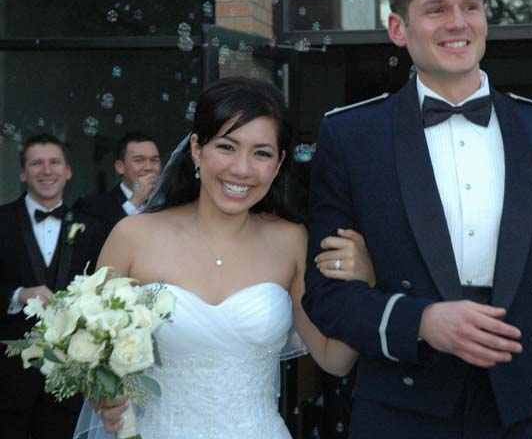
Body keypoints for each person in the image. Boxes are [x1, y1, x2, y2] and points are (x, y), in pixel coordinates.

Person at [302, 0, 532, 437]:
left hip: (524, 414)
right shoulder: (351, 135)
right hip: (401, 414)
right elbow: (326, 296)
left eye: (470, 7)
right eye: (436, 9)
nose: (457, 23)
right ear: (398, 28)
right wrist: (419, 321)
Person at [76, 77, 375, 438]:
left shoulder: (292, 240)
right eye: (227, 147)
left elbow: (335, 360)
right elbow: (88, 354)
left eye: (261, 153)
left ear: (279, 163)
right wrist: (103, 398)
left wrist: (365, 285)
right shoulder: (133, 236)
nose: (242, 169)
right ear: (197, 149)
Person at [0, 134, 103, 439]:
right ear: (23, 173)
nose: (47, 170)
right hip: (7, 383)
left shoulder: (93, 228)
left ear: (68, 171)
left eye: (54, 162)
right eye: (37, 163)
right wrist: (17, 295)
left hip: (69, 381)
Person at [73, 132, 161, 236]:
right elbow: (95, 245)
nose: (148, 167)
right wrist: (134, 202)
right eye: (139, 160)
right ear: (120, 167)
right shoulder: (91, 206)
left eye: (154, 160)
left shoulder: (167, 203)